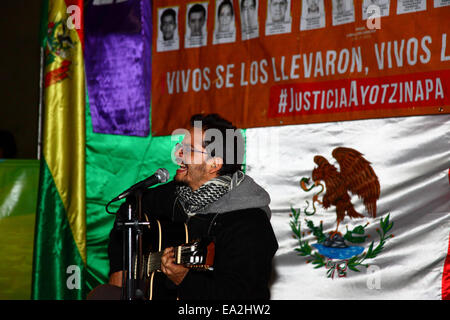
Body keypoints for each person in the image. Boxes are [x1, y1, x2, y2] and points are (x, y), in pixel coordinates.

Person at [107, 114, 278, 300]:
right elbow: (129, 210)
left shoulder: (249, 225)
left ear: (214, 164)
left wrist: (185, 280)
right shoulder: (175, 196)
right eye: (180, 147)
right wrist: (121, 268)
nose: (178, 154)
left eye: (188, 149)